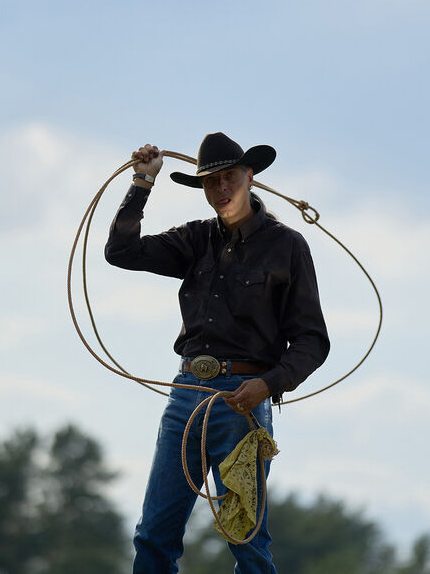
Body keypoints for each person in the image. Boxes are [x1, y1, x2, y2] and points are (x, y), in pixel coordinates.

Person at [105, 132, 330, 574]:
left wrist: (267, 384)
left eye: (229, 177)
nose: (221, 189)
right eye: (211, 183)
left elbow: (312, 341)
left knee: (247, 541)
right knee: (153, 535)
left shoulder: (287, 246)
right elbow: (121, 251)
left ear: (250, 176)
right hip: (186, 393)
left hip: (243, 401)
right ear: (203, 189)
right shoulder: (195, 240)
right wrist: (142, 183)